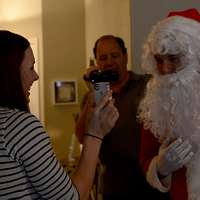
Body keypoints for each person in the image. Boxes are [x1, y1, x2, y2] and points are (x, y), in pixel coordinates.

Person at [0, 30, 119, 200]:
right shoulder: (19, 126)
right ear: (10, 73)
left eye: (114, 55)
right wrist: (95, 134)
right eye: (31, 67)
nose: (36, 76)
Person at [75, 35, 170, 199]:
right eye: (103, 58)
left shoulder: (149, 85)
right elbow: (81, 136)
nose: (109, 62)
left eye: (115, 55)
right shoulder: (92, 98)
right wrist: (93, 92)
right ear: (97, 63)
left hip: (151, 184)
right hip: (115, 187)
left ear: (125, 56)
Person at [138, 8, 200, 200]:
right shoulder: (157, 102)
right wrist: (161, 167)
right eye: (159, 60)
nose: (165, 69)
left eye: (173, 59)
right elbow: (146, 158)